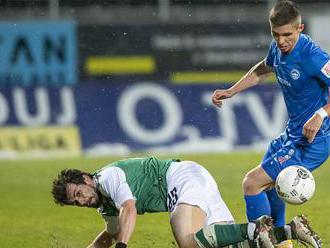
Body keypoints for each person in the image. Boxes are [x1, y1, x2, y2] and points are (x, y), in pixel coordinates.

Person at [212, 0, 330, 231]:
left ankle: (263, 240)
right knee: (268, 184)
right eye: (276, 34)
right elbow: (263, 69)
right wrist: (232, 90)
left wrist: (320, 114)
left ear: (300, 28)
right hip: (292, 133)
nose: (281, 41)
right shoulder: (277, 48)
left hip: (315, 139)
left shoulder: (313, 56)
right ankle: (281, 240)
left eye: (287, 34)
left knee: (252, 183)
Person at [51, 156, 320, 248]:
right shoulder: (105, 204)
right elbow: (108, 236)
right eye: (75, 203)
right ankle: (290, 230)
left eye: (77, 193)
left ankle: (255, 230)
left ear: (86, 179)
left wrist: (123, 245)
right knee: (218, 245)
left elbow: (129, 208)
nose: (81, 202)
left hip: (182, 180)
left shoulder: (108, 176)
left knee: (188, 242)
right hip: (193, 181)